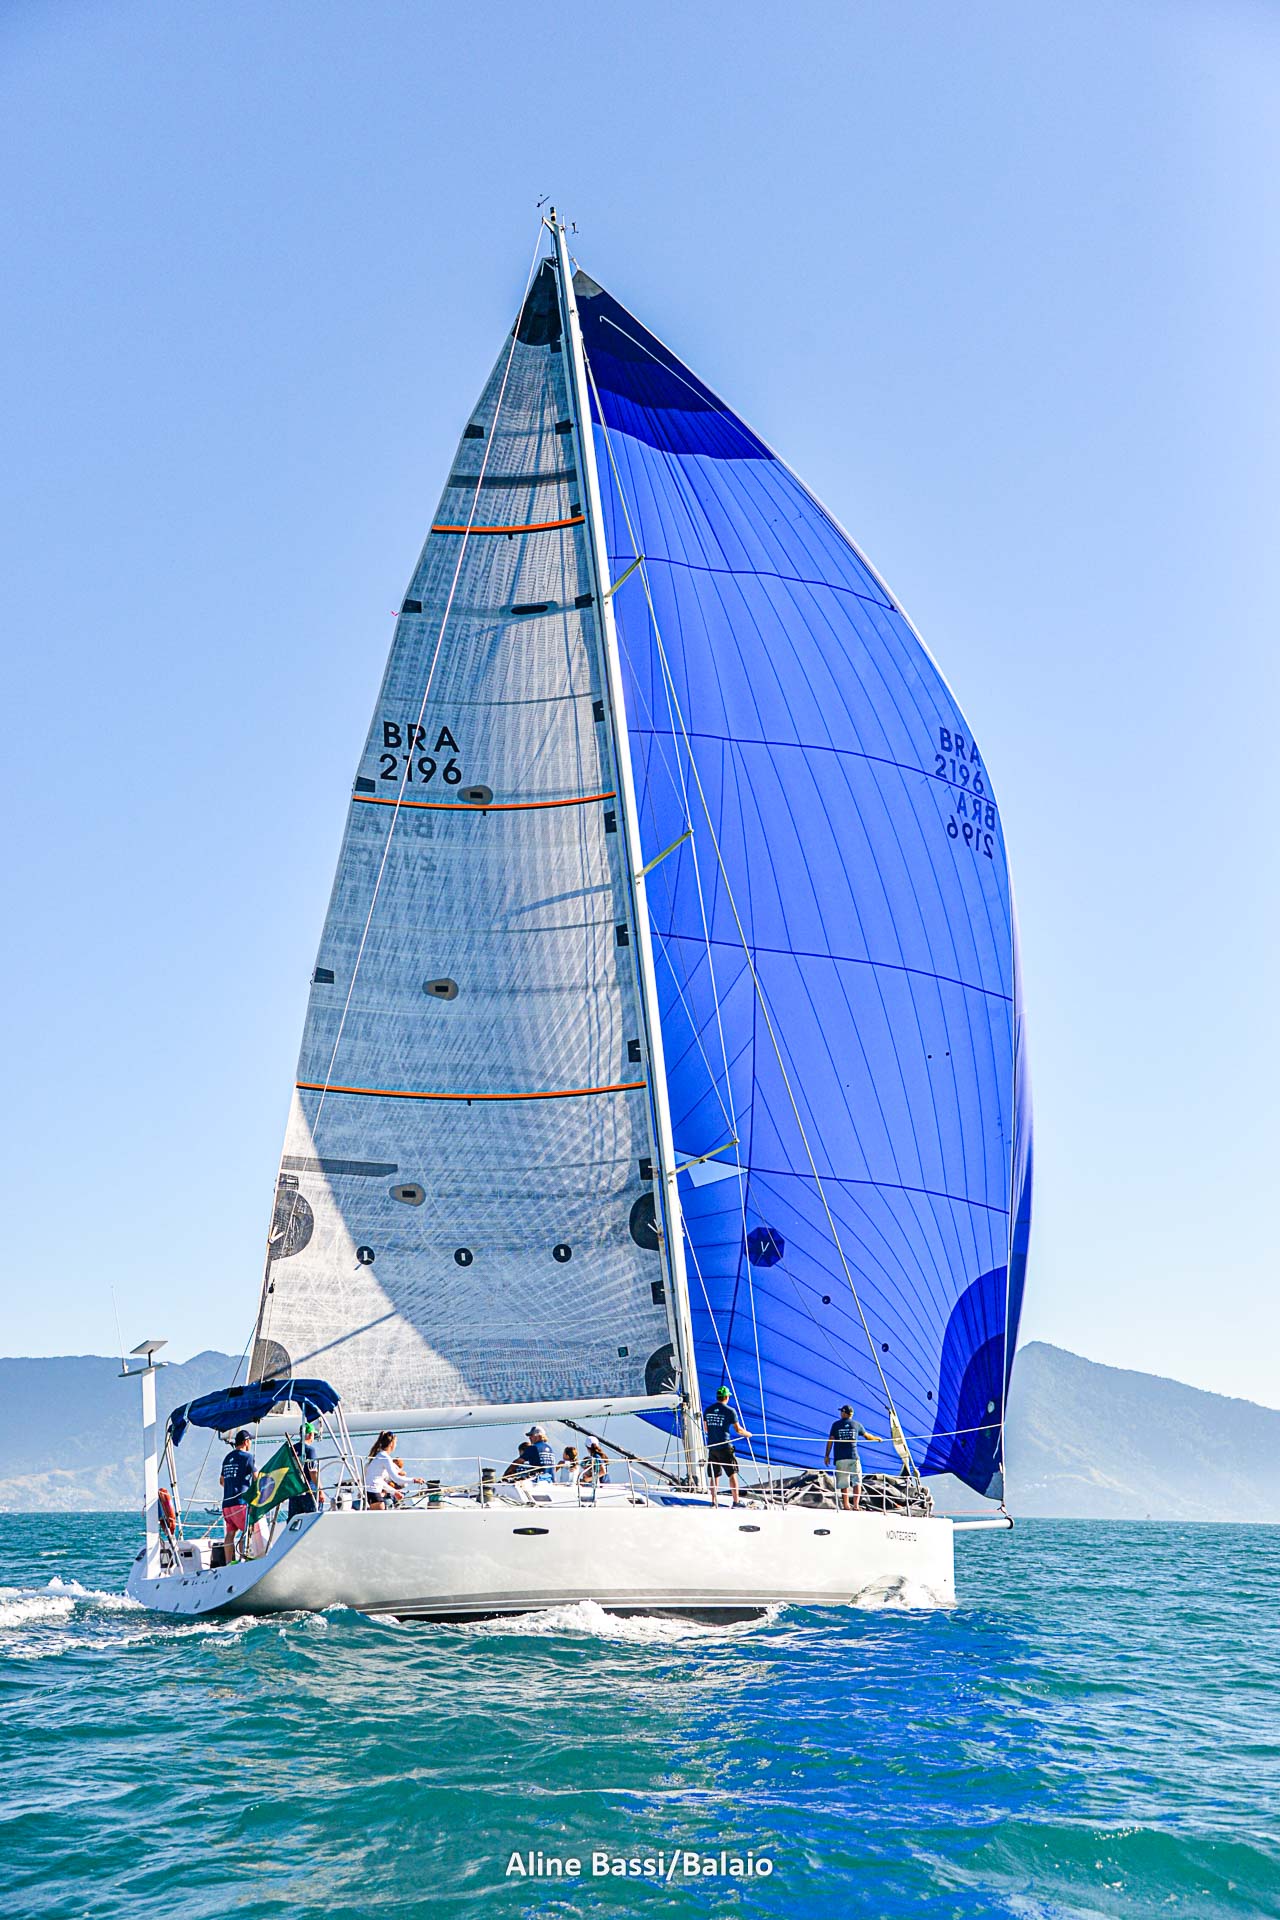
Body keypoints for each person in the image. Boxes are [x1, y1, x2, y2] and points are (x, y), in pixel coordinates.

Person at [823, 1403, 882, 1512]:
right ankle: (856, 1505)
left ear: (844, 1413)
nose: (840, 1413)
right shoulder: (857, 1425)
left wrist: (827, 1455)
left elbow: (830, 1440)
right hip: (853, 1457)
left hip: (840, 1458)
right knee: (857, 1481)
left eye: (841, 1412)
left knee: (843, 1483)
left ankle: (846, 1505)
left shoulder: (836, 1425)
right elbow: (867, 1436)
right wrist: (877, 1438)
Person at [703, 1386, 748, 1508]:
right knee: (732, 1474)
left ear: (717, 1397)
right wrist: (748, 1434)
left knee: (714, 1475)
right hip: (725, 1447)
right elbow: (738, 1430)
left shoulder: (708, 1410)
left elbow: (706, 1429)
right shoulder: (730, 1411)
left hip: (712, 1448)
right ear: (727, 1397)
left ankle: (713, 1502)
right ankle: (736, 1501)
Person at [364, 1431, 424, 1509]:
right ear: (391, 1444)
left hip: (371, 1492)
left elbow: (378, 1480)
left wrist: (394, 1492)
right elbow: (396, 1478)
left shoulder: (379, 1455)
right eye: (395, 1443)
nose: (396, 1445)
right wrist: (414, 1480)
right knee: (380, 1516)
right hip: (374, 1493)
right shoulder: (385, 1457)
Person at [220, 1430, 255, 1562]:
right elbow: (257, 1478)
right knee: (246, 1530)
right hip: (241, 1503)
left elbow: (222, 1481)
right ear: (246, 1442)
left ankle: (229, 1563)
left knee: (230, 1533)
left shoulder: (227, 1458)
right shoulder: (248, 1457)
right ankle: (243, 1560)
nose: (251, 1443)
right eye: (250, 1441)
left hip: (227, 1504)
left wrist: (232, 1486)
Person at [287, 1421, 324, 1519]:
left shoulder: (291, 1449)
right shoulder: (310, 1450)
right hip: (309, 1492)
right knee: (313, 1520)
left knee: (294, 1521)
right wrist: (321, 1491)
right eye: (313, 1435)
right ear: (310, 1435)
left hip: (295, 1492)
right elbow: (313, 1472)